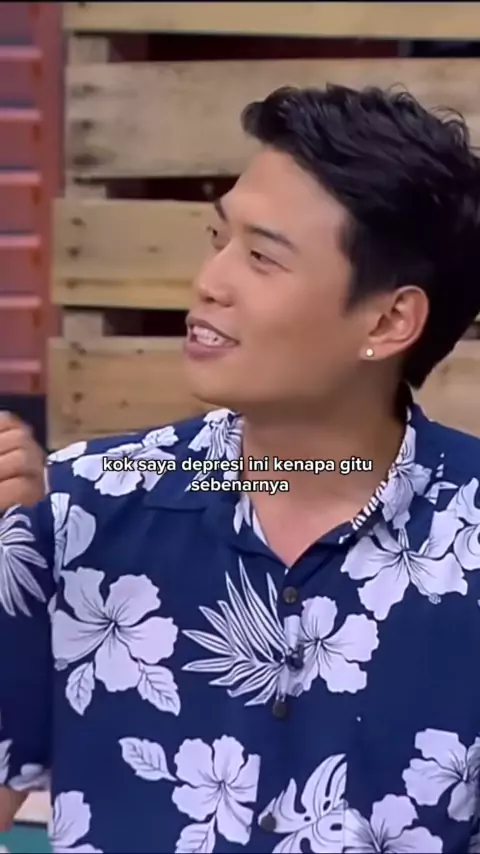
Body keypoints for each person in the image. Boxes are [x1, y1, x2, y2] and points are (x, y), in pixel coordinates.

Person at [1, 83, 480, 853]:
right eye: (217, 238)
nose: (209, 281)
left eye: (261, 257)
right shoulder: (77, 512)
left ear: (390, 319)